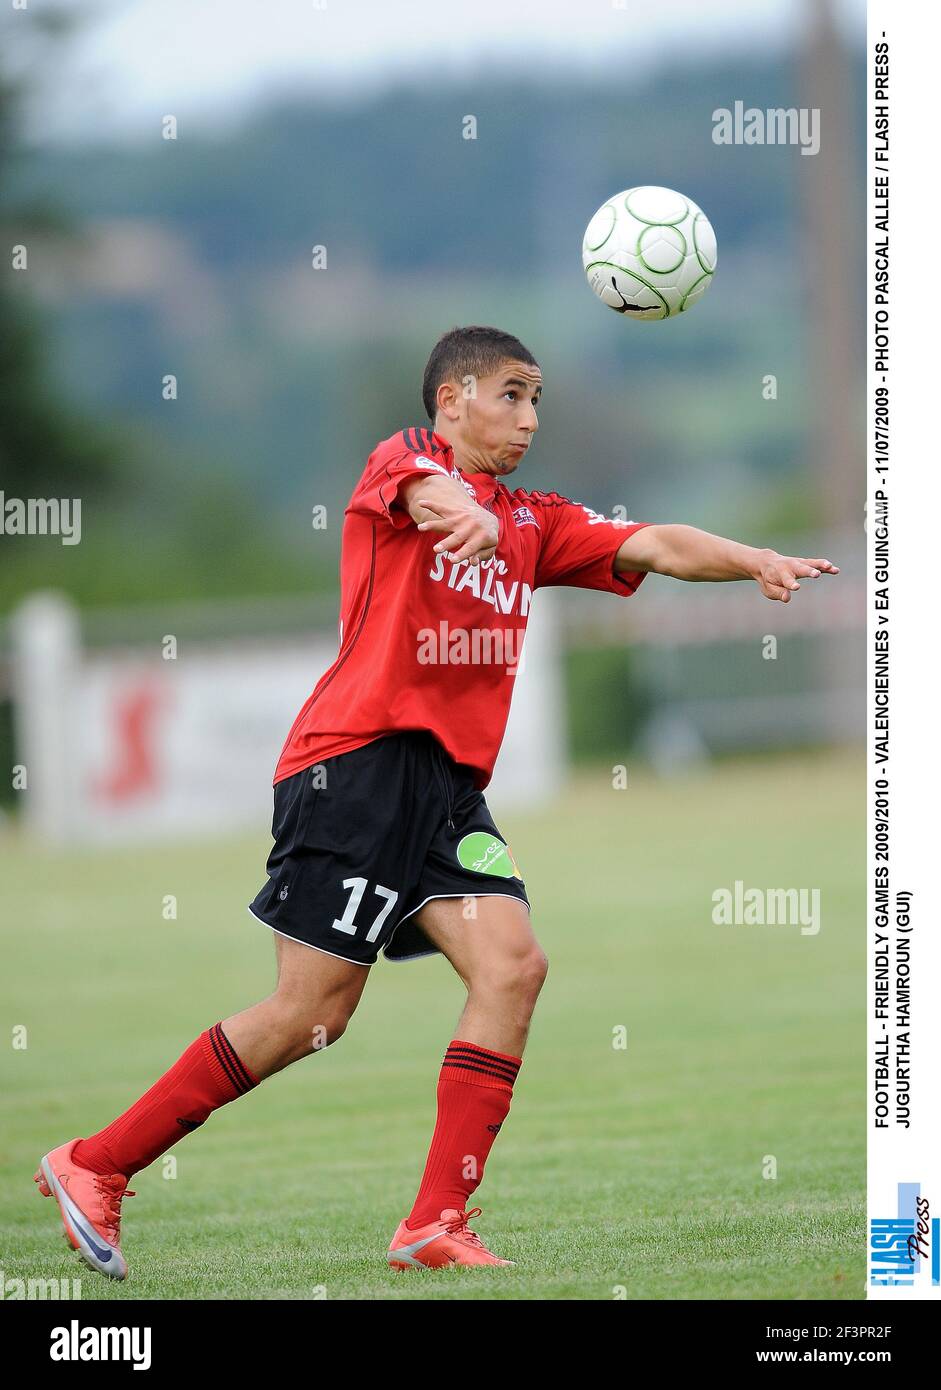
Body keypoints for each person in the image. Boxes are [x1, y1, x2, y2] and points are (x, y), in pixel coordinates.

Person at [35, 325, 838, 1277]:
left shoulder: (533, 520)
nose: (528, 417)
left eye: (537, 398)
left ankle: (435, 1221)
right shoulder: (406, 461)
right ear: (451, 399)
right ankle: (97, 1163)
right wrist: (464, 510)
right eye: (509, 394)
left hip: (448, 792)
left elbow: (652, 541)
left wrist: (752, 559)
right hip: (357, 768)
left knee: (512, 967)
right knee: (311, 1016)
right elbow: (426, 492)